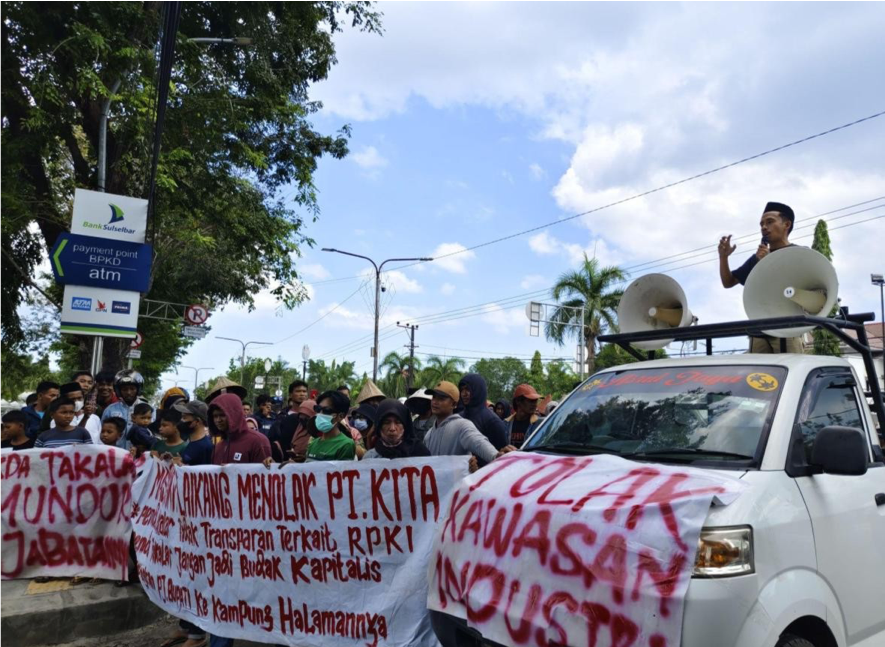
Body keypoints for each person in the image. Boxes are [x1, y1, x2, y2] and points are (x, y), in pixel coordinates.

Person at [719, 201, 804, 353]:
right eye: (761, 224)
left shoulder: (799, 254)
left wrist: (767, 264)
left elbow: (797, 288)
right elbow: (728, 282)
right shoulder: (757, 258)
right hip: (759, 326)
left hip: (788, 327)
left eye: (770, 222)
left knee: (792, 368)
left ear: (787, 224)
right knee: (759, 373)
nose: (764, 227)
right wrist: (723, 258)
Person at [423, 381, 515, 468]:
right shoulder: (428, 435)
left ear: (454, 404)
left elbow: (478, 442)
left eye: (441, 398)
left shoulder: (461, 425)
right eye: (434, 397)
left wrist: (495, 455)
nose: (435, 402)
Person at [209, 393, 272, 466]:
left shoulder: (258, 441)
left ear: (234, 414)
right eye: (215, 416)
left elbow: (265, 474)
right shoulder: (218, 447)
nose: (218, 420)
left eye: (222, 415)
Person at [363, 399, 430, 459]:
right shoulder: (370, 457)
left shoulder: (420, 452)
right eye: (386, 422)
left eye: (398, 422)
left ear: (405, 425)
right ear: (379, 425)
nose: (392, 428)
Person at [457, 374, 508, 449]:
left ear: (478, 390)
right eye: (461, 390)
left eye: (467, 389)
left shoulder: (493, 422)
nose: (464, 394)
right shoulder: (458, 417)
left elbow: (501, 455)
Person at [101, 370, 149, 444]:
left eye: (132, 389)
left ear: (138, 389)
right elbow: (102, 432)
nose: (128, 392)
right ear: (118, 391)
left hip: (138, 453)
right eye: (124, 389)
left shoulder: (148, 409)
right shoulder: (110, 409)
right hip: (115, 452)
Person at [306, 391, 356, 462]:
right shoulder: (313, 443)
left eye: (326, 410)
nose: (320, 414)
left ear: (340, 416)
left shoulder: (346, 445)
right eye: (318, 409)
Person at [267, 398, 316, 463]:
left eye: (306, 419)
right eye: (301, 419)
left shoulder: (319, 433)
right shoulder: (294, 427)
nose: (303, 422)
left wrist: (303, 458)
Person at [173, 400, 214, 467]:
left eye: (184, 418)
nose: (181, 421)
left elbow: (204, 474)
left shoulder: (206, 447)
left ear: (197, 421)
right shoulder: (190, 442)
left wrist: (183, 466)